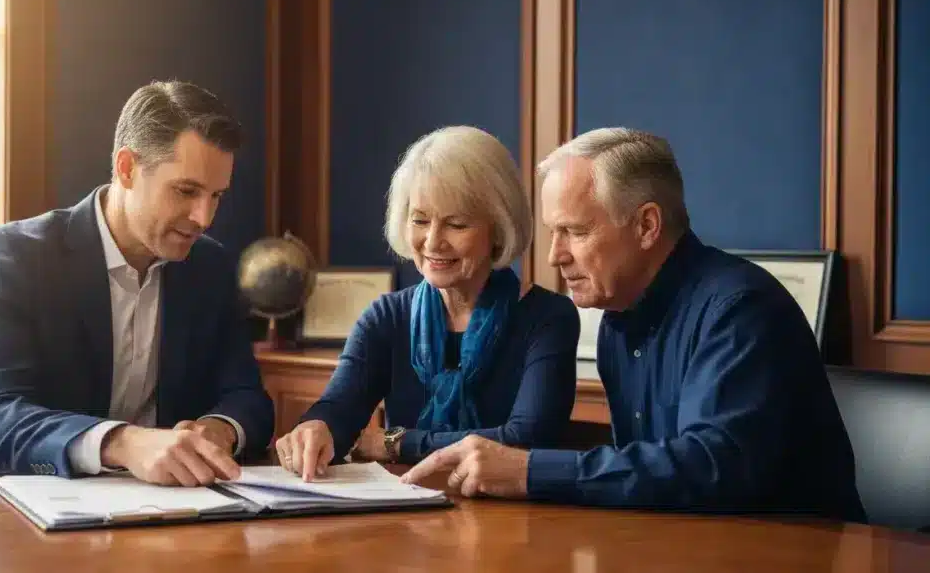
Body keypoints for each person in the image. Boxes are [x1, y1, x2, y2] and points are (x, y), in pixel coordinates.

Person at [401, 127, 866, 523]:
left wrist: (528, 471)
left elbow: (711, 468)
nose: (553, 255)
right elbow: (646, 483)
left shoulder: (740, 309)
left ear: (646, 226)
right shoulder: (617, 320)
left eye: (576, 232)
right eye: (553, 232)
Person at [0, 80, 274, 486]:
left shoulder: (211, 266)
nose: (203, 218)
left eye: (216, 196)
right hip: (0, 504)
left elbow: (249, 398)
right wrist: (122, 443)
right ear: (127, 168)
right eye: (186, 191)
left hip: (155, 512)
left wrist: (219, 428)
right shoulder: (13, 257)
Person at [276, 126, 580, 480]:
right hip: (407, 515)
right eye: (420, 220)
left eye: (456, 224)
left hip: (515, 519)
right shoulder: (386, 318)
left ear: (498, 228)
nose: (433, 242)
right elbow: (338, 411)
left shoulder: (548, 318)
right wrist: (315, 428)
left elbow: (525, 440)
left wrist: (397, 442)